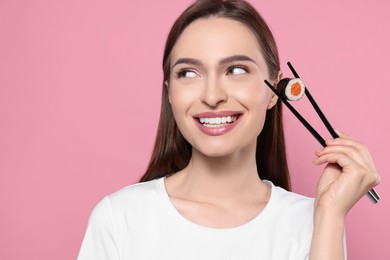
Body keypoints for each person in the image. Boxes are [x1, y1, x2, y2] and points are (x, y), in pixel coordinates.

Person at [77, 0, 380, 259]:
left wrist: (329, 214)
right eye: (189, 72)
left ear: (275, 90)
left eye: (236, 70)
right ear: (170, 91)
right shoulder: (120, 219)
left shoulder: (316, 221)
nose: (212, 96)